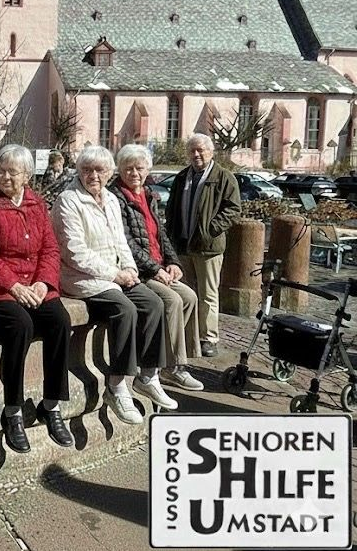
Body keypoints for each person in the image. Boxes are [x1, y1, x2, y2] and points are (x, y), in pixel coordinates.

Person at [0, 144, 73, 453]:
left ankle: (52, 404)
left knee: (60, 321)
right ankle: (13, 410)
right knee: (20, 324)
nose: (5, 176)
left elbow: (50, 249)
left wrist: (43, 282)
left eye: (12, 172)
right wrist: (12, 285)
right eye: (1, 169)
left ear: (26, 175)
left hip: (33, 283)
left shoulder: (37, 203)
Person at [50, 146, 172, 426]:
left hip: (116, 273)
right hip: (82, 277)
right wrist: (114, 274)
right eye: (87, 170)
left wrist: (129, 268)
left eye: (100, 171)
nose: (93, 175)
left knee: (154, 303)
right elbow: (74, 251)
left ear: (109, 173)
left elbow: (121, 242)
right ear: (79, 172)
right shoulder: (69, 201)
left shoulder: (111, 200)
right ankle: (116, 386)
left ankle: (148, 376)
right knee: (124, 310)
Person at [113, 145, 203, 391]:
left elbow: (160, 234)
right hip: (138, 270)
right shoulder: (117, 198)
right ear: (120, 170)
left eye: (139, 168)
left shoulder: (147, 195)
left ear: (147, 170)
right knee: (172, 300)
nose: (134, 173)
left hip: (158, 266)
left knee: (190, 297)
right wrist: (154, 269)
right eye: (128, 168)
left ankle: (173, 360)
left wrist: (173, 262)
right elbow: (127, 243)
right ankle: (173, 367)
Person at [165, 133, 241, 358]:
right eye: (192, 151)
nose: (196, 154)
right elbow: (171, 208)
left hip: (208, 247)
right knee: (186, 292)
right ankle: (189, 335)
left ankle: (208, 338)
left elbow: (233, 210)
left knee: (208, 294)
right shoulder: (181, 177)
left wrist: (210, 230)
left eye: (201, 150)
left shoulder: (224, 177)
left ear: (211, 151)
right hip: (182, 244)